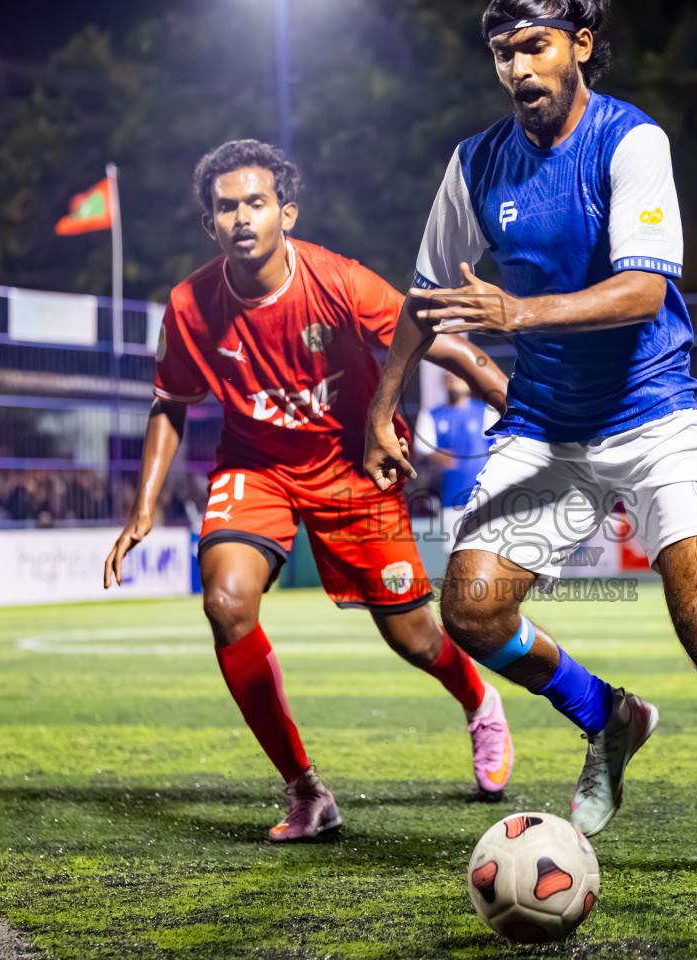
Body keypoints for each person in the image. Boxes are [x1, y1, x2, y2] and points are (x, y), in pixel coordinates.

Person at [363, 0, 697, 883]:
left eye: (535, 46)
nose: (518, 69)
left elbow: (640, 291)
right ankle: (609, 717)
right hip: (546, 425)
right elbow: (422, 298)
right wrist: (383, 407)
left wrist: (518, 313)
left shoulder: (633, 143)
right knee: (468, 608)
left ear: (580, 47)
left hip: (654, 417)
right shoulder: (475, 165)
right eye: (503, 52)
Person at [103, 139, 515, 842]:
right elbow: (170, 402)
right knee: (227, 603)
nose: (240, 218)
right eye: (225, 207)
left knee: (415, 638)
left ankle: (478, 701)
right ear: (209, 224)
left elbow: (443, 345)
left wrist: (518, 409)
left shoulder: (342, 283)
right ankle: (306, 791)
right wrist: (143, 506)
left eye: (255, 203)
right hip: (254, 467)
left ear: (285, 213)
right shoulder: (189, 304)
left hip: (353, 467)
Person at [413, 372, 497, 553]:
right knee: (455, 553)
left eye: (458, 376)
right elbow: (422, 449)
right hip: (450, 497)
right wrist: (442, 457)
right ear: (443, 383)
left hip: (483, 496)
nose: (455, 380)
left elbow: (498, 446)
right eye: (449, 377)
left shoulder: (485, 410)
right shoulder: (432, 415)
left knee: (486, 550)